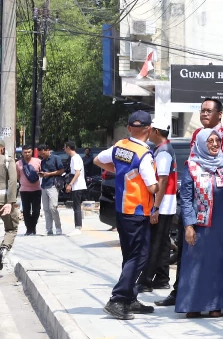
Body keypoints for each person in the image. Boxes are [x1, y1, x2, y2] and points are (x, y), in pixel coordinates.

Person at [154, 101, 223, 308]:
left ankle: (218, 303)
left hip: (222, 216)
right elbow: (189, 186)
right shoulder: (197, 136)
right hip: (199, 214)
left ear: (220, 115)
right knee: (192, 258)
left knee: (220, 261)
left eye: (209, 111)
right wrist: (189, 221)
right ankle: (188, 299)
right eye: (202, 110)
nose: (204, 114)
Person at [94, 110, 159, 320]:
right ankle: (118, 299)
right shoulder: (144, 154)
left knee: (130, 256)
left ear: (130, 128)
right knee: (139, 257)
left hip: (122, 210)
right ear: (149, 130)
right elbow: (151, 187)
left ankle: (130, 298)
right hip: (138, 211)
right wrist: (160, 185)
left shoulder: (120, 146)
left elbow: (97, 160)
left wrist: (120, 172)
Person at [176, 129, 223, 318]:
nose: (215, 144)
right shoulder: (192, 166)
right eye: (210, 141)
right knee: (198, 264)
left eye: (217, 140)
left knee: (222, 263)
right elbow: (186, 198)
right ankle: (194, 304)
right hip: (201, 224)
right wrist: (188, 225)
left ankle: (217, 305)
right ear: (200, 143)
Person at [137, 118, 178, 292]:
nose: (148, 132)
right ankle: (161, 278)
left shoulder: (163, 152)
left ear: (157, 132)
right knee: (161, 243)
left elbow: (162, 180)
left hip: (163, 203)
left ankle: (145, 280)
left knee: (154, 242)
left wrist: (156, 207)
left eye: (150, 129)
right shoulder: (163, 148)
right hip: (166, 203)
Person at [0, 139, 19, 270]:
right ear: (2, 148)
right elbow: (13, 181)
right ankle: (4, 249)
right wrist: (10, 202)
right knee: (11, 228)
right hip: (3, 200)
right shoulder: (7, 160)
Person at [38, 144, 65, 236]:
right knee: (46, 209)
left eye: (43, 153)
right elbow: (44, 171)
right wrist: (42, 174)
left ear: (48, 150)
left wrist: (49, 174)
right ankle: (48, 229)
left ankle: (58, 227)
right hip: (44, 185)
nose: (42, 155)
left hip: (53, 184)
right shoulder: (42, 161)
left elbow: (61, 170)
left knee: (53, 207)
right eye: (41, 154)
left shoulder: (56, 158)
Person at [16, 144, 42, 235]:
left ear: (32, 152)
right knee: (26, 211)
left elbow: (42, 173)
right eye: (25, 152)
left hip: (36, 190)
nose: (27, 154)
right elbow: (18, 177)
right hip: (24, 190)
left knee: (36, 210)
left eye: (29, 152)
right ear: (22, 153)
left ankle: (33, 227)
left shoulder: (38, 161)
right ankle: (29, 229)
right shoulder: (18, 163)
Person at [64, 141, 87, 236]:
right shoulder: (75, 158)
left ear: (68, 148)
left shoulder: (75, 158)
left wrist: (70, 184)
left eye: (65, 148)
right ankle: (78, 226)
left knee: (76, 207)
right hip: (77, 186)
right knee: (76, 207)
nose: (64, 150)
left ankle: (78, 228)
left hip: (78, 186)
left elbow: (77, 172)